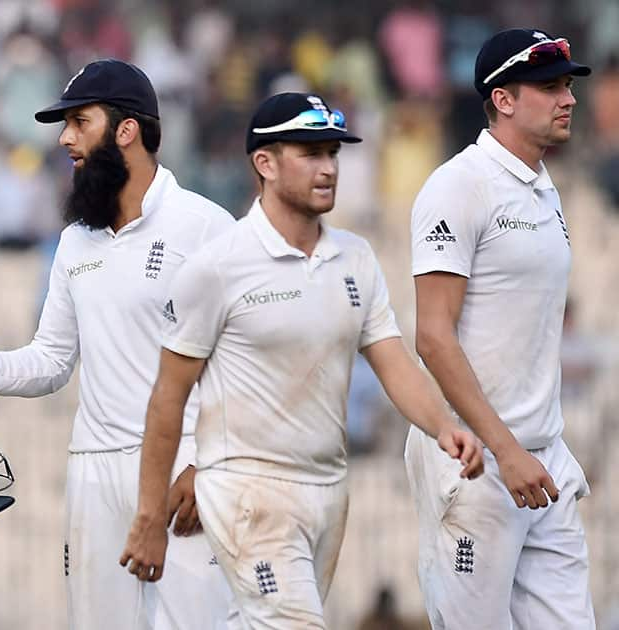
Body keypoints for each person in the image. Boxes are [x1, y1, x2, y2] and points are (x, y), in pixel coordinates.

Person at [119, 92, 484, 629]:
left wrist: (442, 427)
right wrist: (149, 518)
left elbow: (392, 361)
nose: (328, 168)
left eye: (332, 154)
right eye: (310, 153)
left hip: (328, 490)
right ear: (264, 163)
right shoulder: (217, 267)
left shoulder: (355, 258)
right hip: (248, 492)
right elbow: (167, 399)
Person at [0, 59, 236, 629]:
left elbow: (246, 364)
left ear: (127, 130)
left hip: (184, 473)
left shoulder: (206, 227)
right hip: (94, 472)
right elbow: (51, 359)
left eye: (80, 122)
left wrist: (209, 465)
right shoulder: (75, 240)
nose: (65, 139)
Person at [404, 28, 595, 628]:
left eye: (567, 85)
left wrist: (537, 447)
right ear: (504, 99)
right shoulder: (457, 186)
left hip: (542, 466)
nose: (567, 99)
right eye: (548, 86)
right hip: (478, 461)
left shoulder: (543, 189)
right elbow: (433, 336)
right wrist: (504, 450)